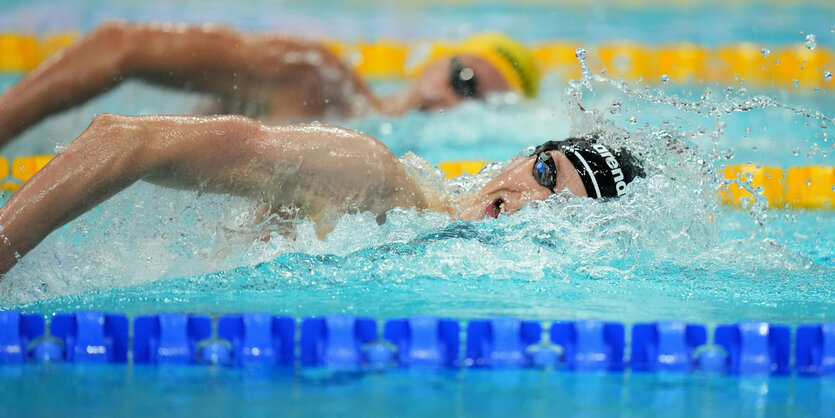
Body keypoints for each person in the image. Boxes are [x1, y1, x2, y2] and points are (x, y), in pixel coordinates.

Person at [0, 114, 643, 275]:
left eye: (561, 213)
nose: (528, 204)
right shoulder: (364, 172)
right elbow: (126, 139)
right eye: (547, 174)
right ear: (520, 154)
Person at [0, 22, 540, 147]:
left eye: (476, 106)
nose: (451, 102)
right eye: (462, 79)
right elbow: (117, 46)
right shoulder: (312, 77)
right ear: (435, 62)